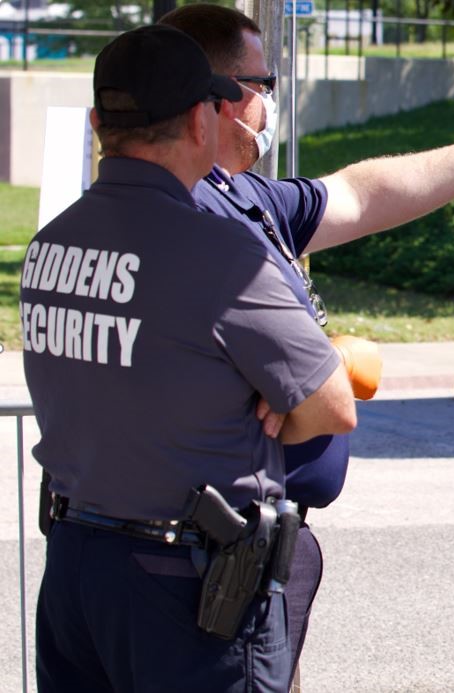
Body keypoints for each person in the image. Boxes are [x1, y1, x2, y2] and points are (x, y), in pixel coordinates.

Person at [157, 3, 454, 676]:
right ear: (223, 100)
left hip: (265, 534)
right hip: (210, 543)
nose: (269, 103)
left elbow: (360, 194)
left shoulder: (245, 197)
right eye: (266, 85)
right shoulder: (188, 212)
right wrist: (322, 366)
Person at [21, 25, 357, 691]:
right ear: (204, 120)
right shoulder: (223, 256)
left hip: (74, 567)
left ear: (98, 123)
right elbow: (332, 404)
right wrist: (270, 403)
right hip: (186, 587)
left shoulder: (49, 246)